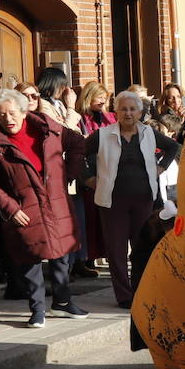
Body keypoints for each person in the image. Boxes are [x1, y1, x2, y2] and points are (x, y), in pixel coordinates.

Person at [0, 89, 88, 328]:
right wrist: (11, 208)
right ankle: (37, 308)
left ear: (24, 111)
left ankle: (62, 302)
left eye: (12, 113)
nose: (8, 119)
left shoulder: (46, 127)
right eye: (1, 115)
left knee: (61, 253)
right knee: (29, 258)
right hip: (24, 208)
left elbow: (77, 144)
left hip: (55, 200)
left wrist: (68, 175)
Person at [84, 91, 181, 309]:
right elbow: (78, 154)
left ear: (140, 112)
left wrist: (161, 167)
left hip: (143, 199)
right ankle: (124, 296)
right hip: (112, 201)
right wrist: (88, 178)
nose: (128, 113)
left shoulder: (149, 133)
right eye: (123, 109)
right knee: (116, 250)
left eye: (132, 109)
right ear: (116, 111)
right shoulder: (102, 135)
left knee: (141, 247)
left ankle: (141, 290)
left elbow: (174, 147)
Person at [73, 81, 116, 278]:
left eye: (104, 97)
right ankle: (86, 259)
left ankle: (103, 254)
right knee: (89, 217)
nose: (102, 101)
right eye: (98, 97)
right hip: (91, 173)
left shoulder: (109, 117)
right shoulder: (82, 119)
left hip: (108, 170)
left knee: (103, 218)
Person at [35, 66, 81, 132]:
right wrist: (71, 106)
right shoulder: (42, 104)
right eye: (61, 85)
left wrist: (64, 121)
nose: (64, 88)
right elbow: (64, 131)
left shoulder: (59, 104)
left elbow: (75, 128)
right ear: (51, 84)